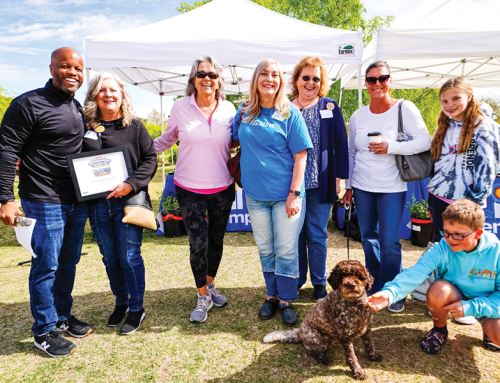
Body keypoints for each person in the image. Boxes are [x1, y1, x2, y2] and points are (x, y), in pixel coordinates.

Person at [0, 47, 91, 358]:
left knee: (68, 262)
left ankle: (61, 317)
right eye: (66, 67)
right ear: (52, 68)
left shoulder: (76, 106)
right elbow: (6, 151)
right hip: (42, 198)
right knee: (46, 265)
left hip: (76, 199)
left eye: (78, 68)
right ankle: (43, 330)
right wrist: (5, 198)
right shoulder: (28, 103)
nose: (73, 73)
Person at [342, 61, 431, 313]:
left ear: (390, 80)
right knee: (368, 237)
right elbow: (351, 152)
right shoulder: (359, 115)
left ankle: (394, 290)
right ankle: (374, 284)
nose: (377, 84)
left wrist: (391, 147)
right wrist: (348, 186)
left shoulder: (405, 107)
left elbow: (424, 141)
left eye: (382, 78)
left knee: (389, 240)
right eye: (371, 80)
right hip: (362, 185)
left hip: (392, 186)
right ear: (366, 84)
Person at [154, 55, 236, 324]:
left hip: (223, 187)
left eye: (212, 75)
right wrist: (135, 151)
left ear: (219, 81)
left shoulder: (229, 110)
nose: (207, 79)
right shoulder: (180, 107)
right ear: (193, 79)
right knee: (197, 243)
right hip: (188, 188)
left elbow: (236, 142)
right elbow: (168, 138)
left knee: (216, 241)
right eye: (201, 74)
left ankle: (210, 285)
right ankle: (202, 296)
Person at [233, 58, 312, 326]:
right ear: (256, 79)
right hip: (254, 195)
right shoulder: (244, 112)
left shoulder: (291, 113)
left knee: (286, 250)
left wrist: (294, 193)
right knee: (266, 248)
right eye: (264, 73)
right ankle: (271, 295)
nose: (269, 78)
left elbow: (301, 157)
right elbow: (230, 141)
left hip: (285, 196)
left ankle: (287, 299)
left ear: (280, 80)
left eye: (275, 74)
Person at [367, 199, 500, 354]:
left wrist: (472, 307)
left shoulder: (496, 251)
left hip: (488, 301)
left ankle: (489, 332)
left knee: (497, 333)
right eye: (446, 232)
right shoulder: (442, 247)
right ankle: (439, 330)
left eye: (458, 235)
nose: (450, 239)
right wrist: (389, 294)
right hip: (454, 294)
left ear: (477, 233)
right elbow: (415, 274)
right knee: (438, 290)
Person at [82, 73, 157, 335]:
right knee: (110, 257)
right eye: (102, 90)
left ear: (122, 94)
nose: (108, 95)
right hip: (98, 204)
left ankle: (137, 308)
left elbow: (150, 159)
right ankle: (121, 302)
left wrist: (130, 183)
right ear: (94, 95)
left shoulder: (134, 126)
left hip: (129, 203)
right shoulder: (84, 127)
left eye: (113, 90)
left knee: (129, 256)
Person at [427, 76, 500, 325]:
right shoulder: (443, 125)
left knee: (465, 252)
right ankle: (442, 299)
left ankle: (467, 304)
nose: (449, 104)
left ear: (469, 96)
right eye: (444, 100)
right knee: (443, 250)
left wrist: (474, 203)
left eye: (456, 98)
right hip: (439, 197)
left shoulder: (484, 126)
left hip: (465, 202)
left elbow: (488, 168)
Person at [290, 57, 349, 301]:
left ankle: (318, 283)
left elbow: (340, 143)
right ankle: (296, 280)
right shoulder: (285, 107)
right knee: (294, 236)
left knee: (316, 234)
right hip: (291, 185)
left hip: (321, 183)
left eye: (316, 78)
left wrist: (338, 179)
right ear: (296, 79)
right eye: (306, 77)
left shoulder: (329, 107)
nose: (310, 82)